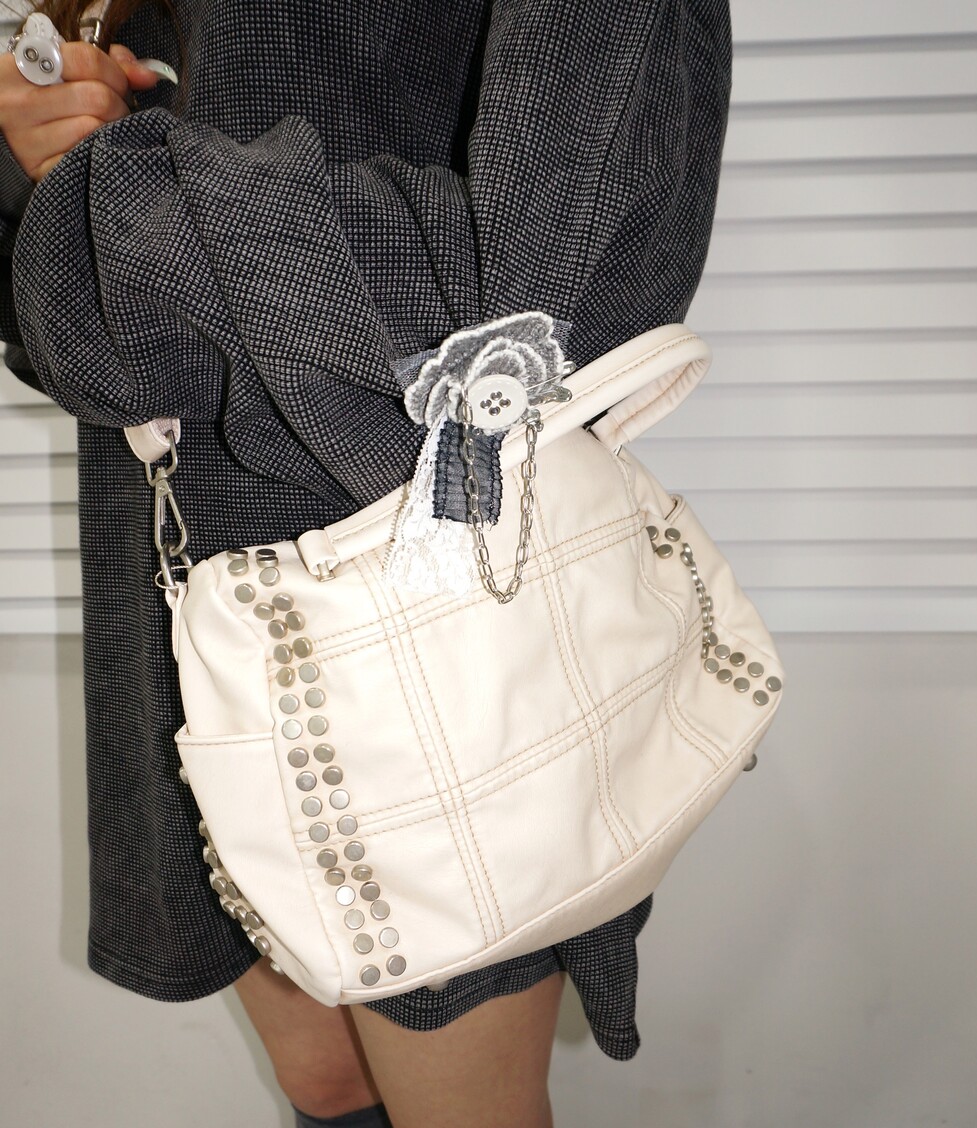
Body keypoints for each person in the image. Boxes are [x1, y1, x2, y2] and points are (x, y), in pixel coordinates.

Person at [0, 2, 732, 1125]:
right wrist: (38, 157)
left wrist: (115, 204)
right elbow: (72, 325)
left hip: (428, 598)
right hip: (179, 572)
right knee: (326, 1081)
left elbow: (554, 287)